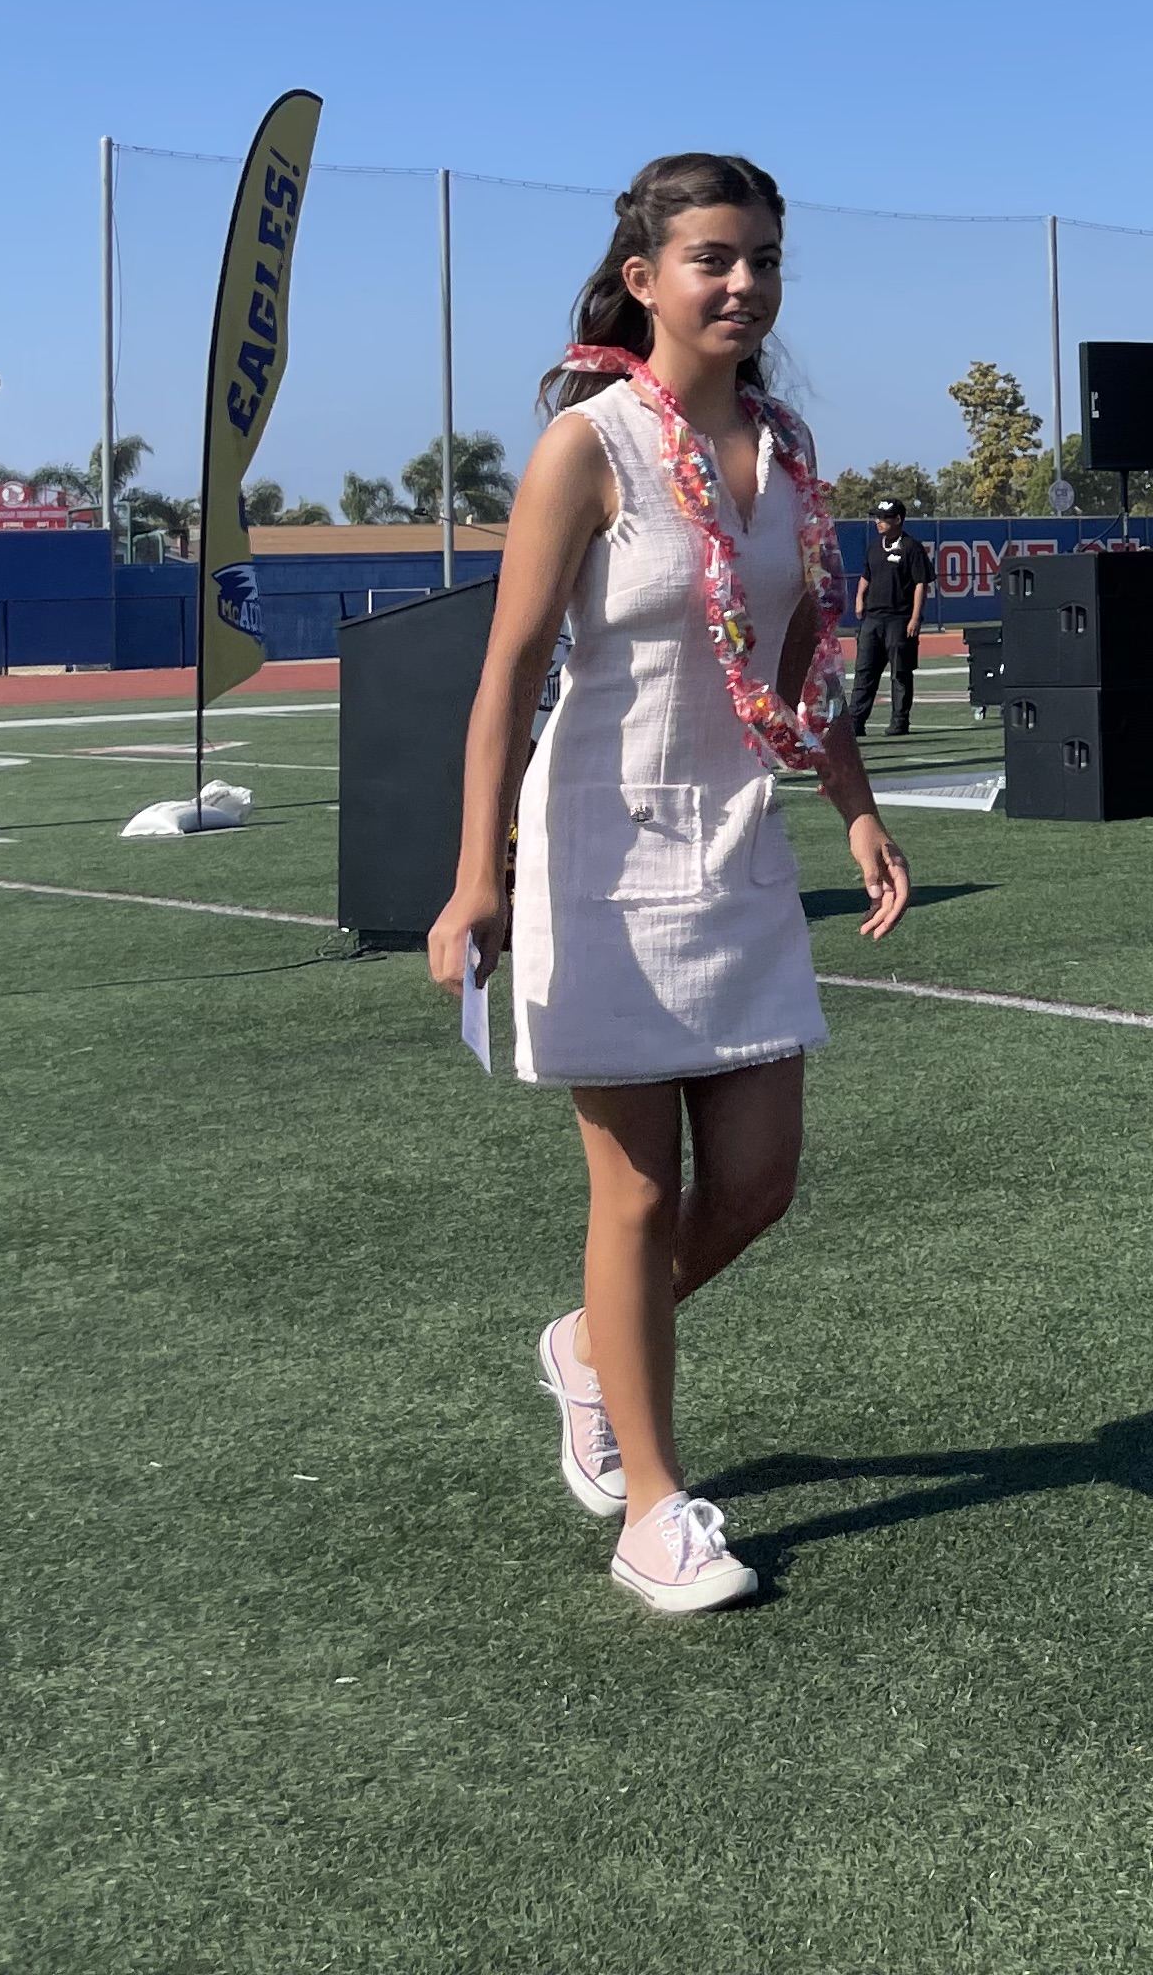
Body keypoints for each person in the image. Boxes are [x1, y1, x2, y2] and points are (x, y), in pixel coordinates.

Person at [429, 153, 914, 1617]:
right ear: (645, 279)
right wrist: (474, 880)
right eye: (712, 258)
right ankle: (654, 1506)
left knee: (757, 1182)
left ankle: (587, 1349)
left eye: (763, 258)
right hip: (597, 842)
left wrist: (853, 804)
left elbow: (798, 656)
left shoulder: (788, 450)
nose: (745, 285)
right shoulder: (591, 445)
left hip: (736, 847)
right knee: (637, 1192)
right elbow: (510, 670)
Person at [850, 496, 930, 735]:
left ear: (897, 519)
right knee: (864, 670)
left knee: (901, 673)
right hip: (873, 619)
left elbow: (921, 584)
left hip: (900, 619)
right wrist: (859, 598)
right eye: (877, 517)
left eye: (884, 518)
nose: (879, 522)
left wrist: (915, 617)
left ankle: (899, 722)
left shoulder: (911, 548)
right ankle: (856, 722)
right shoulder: (874, 547)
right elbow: (866, 575)